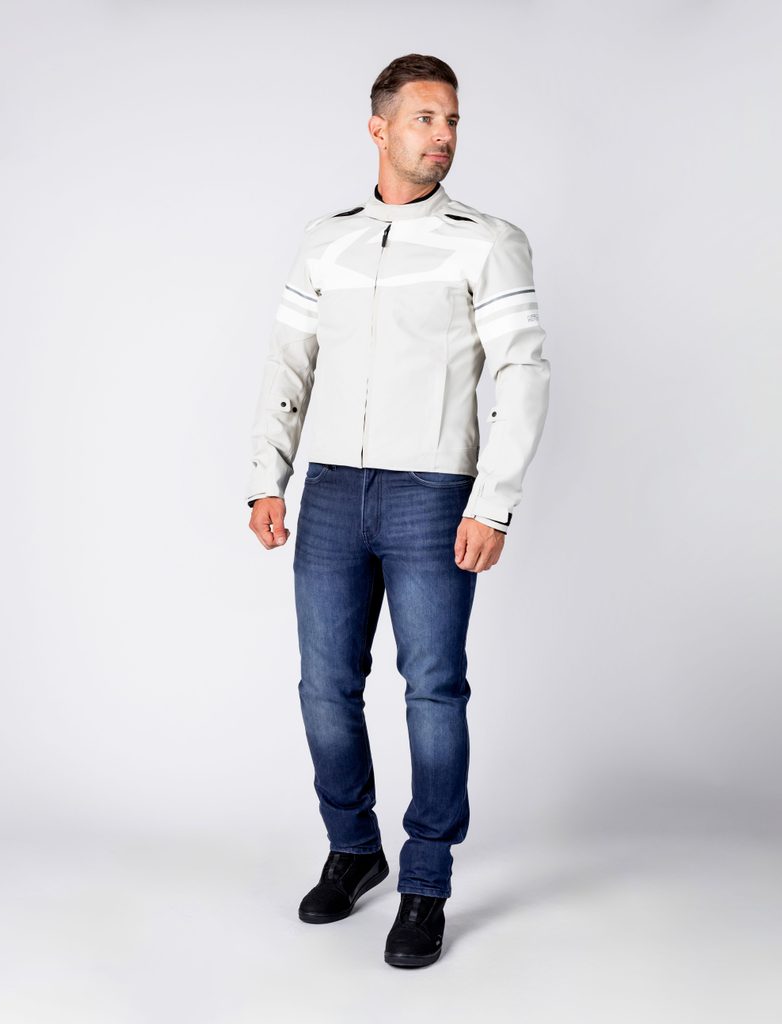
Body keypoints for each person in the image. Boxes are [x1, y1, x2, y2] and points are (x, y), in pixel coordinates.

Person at [245, 53, 550, 968]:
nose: (443, 135)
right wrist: (267, 476)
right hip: (333, 489)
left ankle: (426, 881)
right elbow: (289, 363)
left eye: (451, 120)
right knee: (324, 686)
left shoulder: (487, 241)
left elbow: (522, 372)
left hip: (433, 492)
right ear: (379, 128)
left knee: (433, 688)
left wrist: (494, 502)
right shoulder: (325, 241)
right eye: (425, 118)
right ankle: (353, 848)